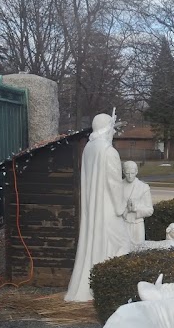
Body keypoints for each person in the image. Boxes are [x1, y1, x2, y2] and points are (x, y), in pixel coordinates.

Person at [65, 111, 128, 302]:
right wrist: (121, 207)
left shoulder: (89, 148)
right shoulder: (109, 151)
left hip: (93, 208)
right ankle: (110, 288)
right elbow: (114, 184)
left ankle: (93, 286)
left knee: (98, 243)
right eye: (112, 128)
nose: (114, 132)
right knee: (122, 243)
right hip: (107, 208)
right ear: (107, 129)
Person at [121, 161, 154, 245]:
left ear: (136, 172)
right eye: (127, 173)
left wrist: (135, 208)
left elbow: (149, 210)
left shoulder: (143, 187)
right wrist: (125, 209)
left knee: (138, 249)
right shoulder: (118, 186)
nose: (130, 176)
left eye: (132, 173)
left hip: (137, 225)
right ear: (123, 171)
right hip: (122, 224)